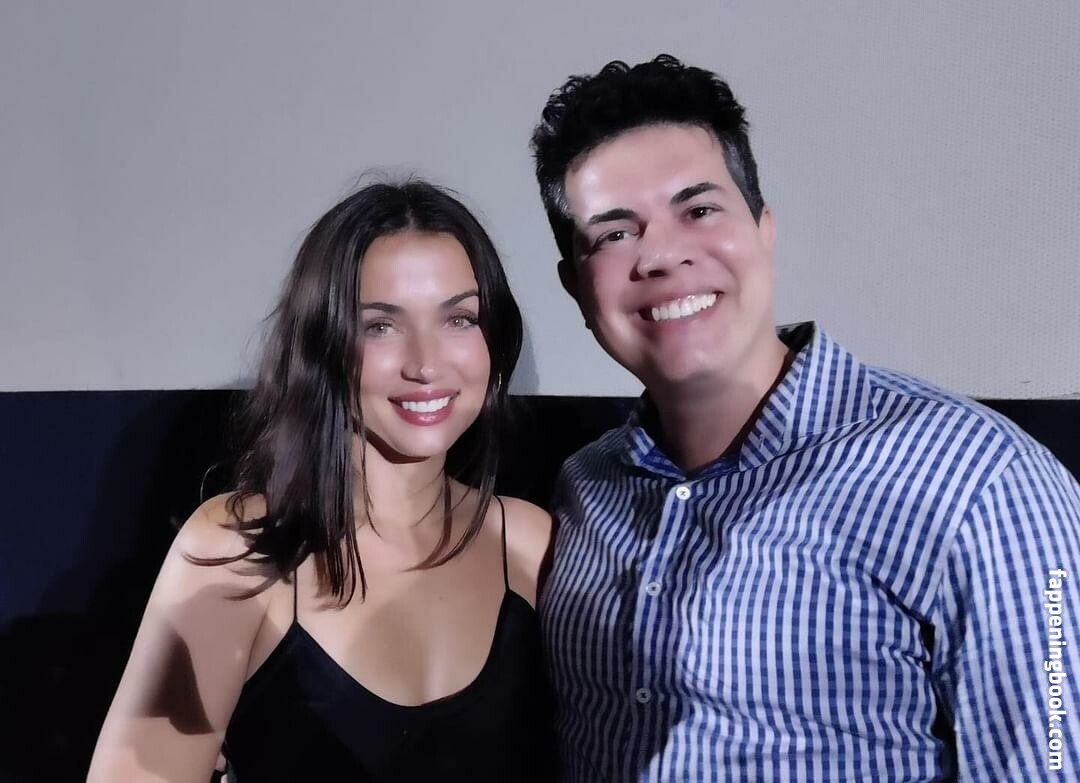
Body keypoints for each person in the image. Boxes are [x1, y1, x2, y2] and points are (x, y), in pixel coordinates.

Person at [530, 55, 1080, 780]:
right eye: (613, 233)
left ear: (764, 228)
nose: (661, 255)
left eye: (698, 209)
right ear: (576, 286)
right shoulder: (583, 486)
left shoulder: (980, 480)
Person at [88, 180, 555, 781]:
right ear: (322, 343)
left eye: (459, 319)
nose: (426, 363)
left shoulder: (527, 543)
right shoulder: (237, 549)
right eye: (380, 326)